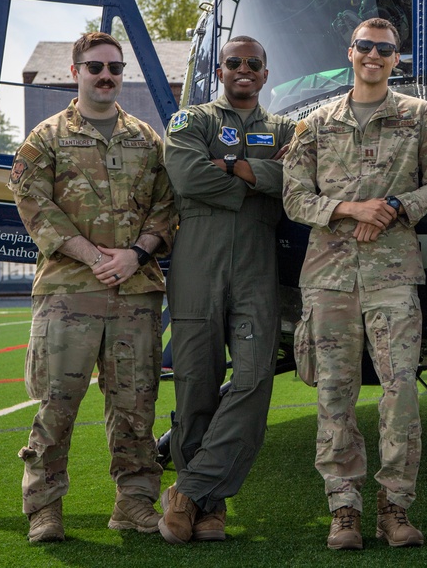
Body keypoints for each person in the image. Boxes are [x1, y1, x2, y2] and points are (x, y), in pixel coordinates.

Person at [283, 17, 427, 550]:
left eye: (384, 49)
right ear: (349, 52)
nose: (373, 55)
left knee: (401, 395)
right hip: (329, 279)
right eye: (365, 46)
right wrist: (350, 208)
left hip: (392, 277)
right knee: (335, 395)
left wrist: (398, 207)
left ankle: (395, 509)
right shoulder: (315, 123)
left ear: (396, 59)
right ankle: (344, 510)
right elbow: (293, 197)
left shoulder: (419, 118)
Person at [10, 31, 175, 542]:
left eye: (115, 68)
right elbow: (34, 204)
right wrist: (91, 256)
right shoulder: (46, 138)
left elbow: (167, 208)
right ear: (76, 71)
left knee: (135, 405)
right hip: (68, 292)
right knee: (57, 402)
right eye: (96, 67)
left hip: (135, 291)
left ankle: (134, 503)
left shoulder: (147, 139)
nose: (107, 76)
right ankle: (44, 506)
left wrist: (135, 255)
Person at [159, 36, 295, 544]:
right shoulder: (190, 121)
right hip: (198, 261)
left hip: (257, 268)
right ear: (220, 70)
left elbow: (297, 177)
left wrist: (235, 168)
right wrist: (258, 183)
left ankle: (188, 492)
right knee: (196, 381)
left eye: (252, 64)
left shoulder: (284, 128)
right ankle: (209, 508)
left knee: (256, 377)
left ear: (265, 73)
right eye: (233, 62)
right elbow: (188, 176)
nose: (243, 69)